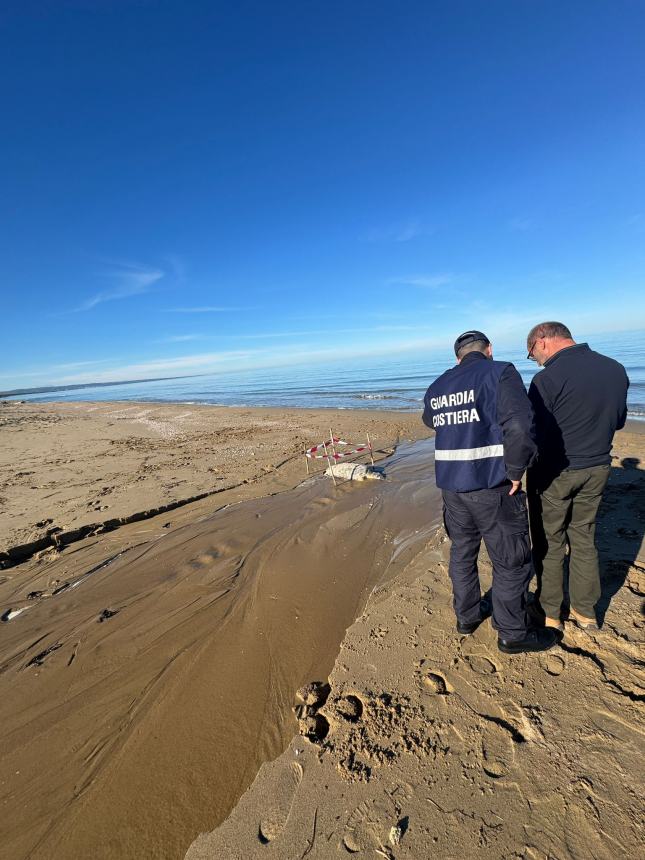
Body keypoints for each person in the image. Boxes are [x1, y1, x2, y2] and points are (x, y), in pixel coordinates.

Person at [423, 330, 559, 654]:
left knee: (462, 551)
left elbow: (430, 419)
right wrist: (516, 471)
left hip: (452, 489)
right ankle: (512, 632)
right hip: (492, 487)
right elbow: (521, 426)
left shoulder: (440, 384)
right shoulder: (500, 371)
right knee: (511, 561)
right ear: (489, 350)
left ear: (457, 358)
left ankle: (467, 616)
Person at [526, 322, 629, 631]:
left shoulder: (546, 380)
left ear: (542, 341)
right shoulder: (615, 368)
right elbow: (619, 420)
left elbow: (534, 434)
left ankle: (550, 614)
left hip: (555, 472)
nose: (535, 360)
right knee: (583, 537)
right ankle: (585, 612)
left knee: (550, 542)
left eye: (531, 354)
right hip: (597, 467)